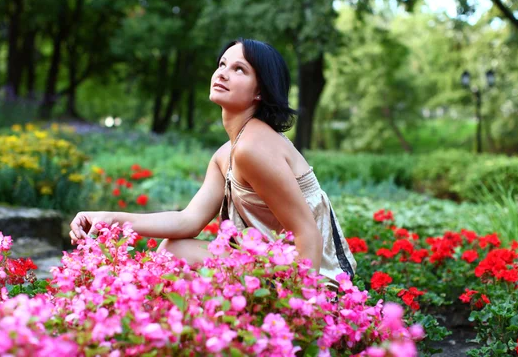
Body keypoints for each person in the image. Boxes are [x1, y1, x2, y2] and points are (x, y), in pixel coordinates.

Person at [69, 39, 356, 282]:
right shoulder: (227, 153)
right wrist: (108, 219)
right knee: (174, 248)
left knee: (174, 252)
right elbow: (187, 221)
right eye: (222, 64)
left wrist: (304, 312)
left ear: (260, 91)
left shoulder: (254, 146)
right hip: (274, 269)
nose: (223, 73)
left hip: (317, 280)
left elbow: (307, 234)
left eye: (239, 69)